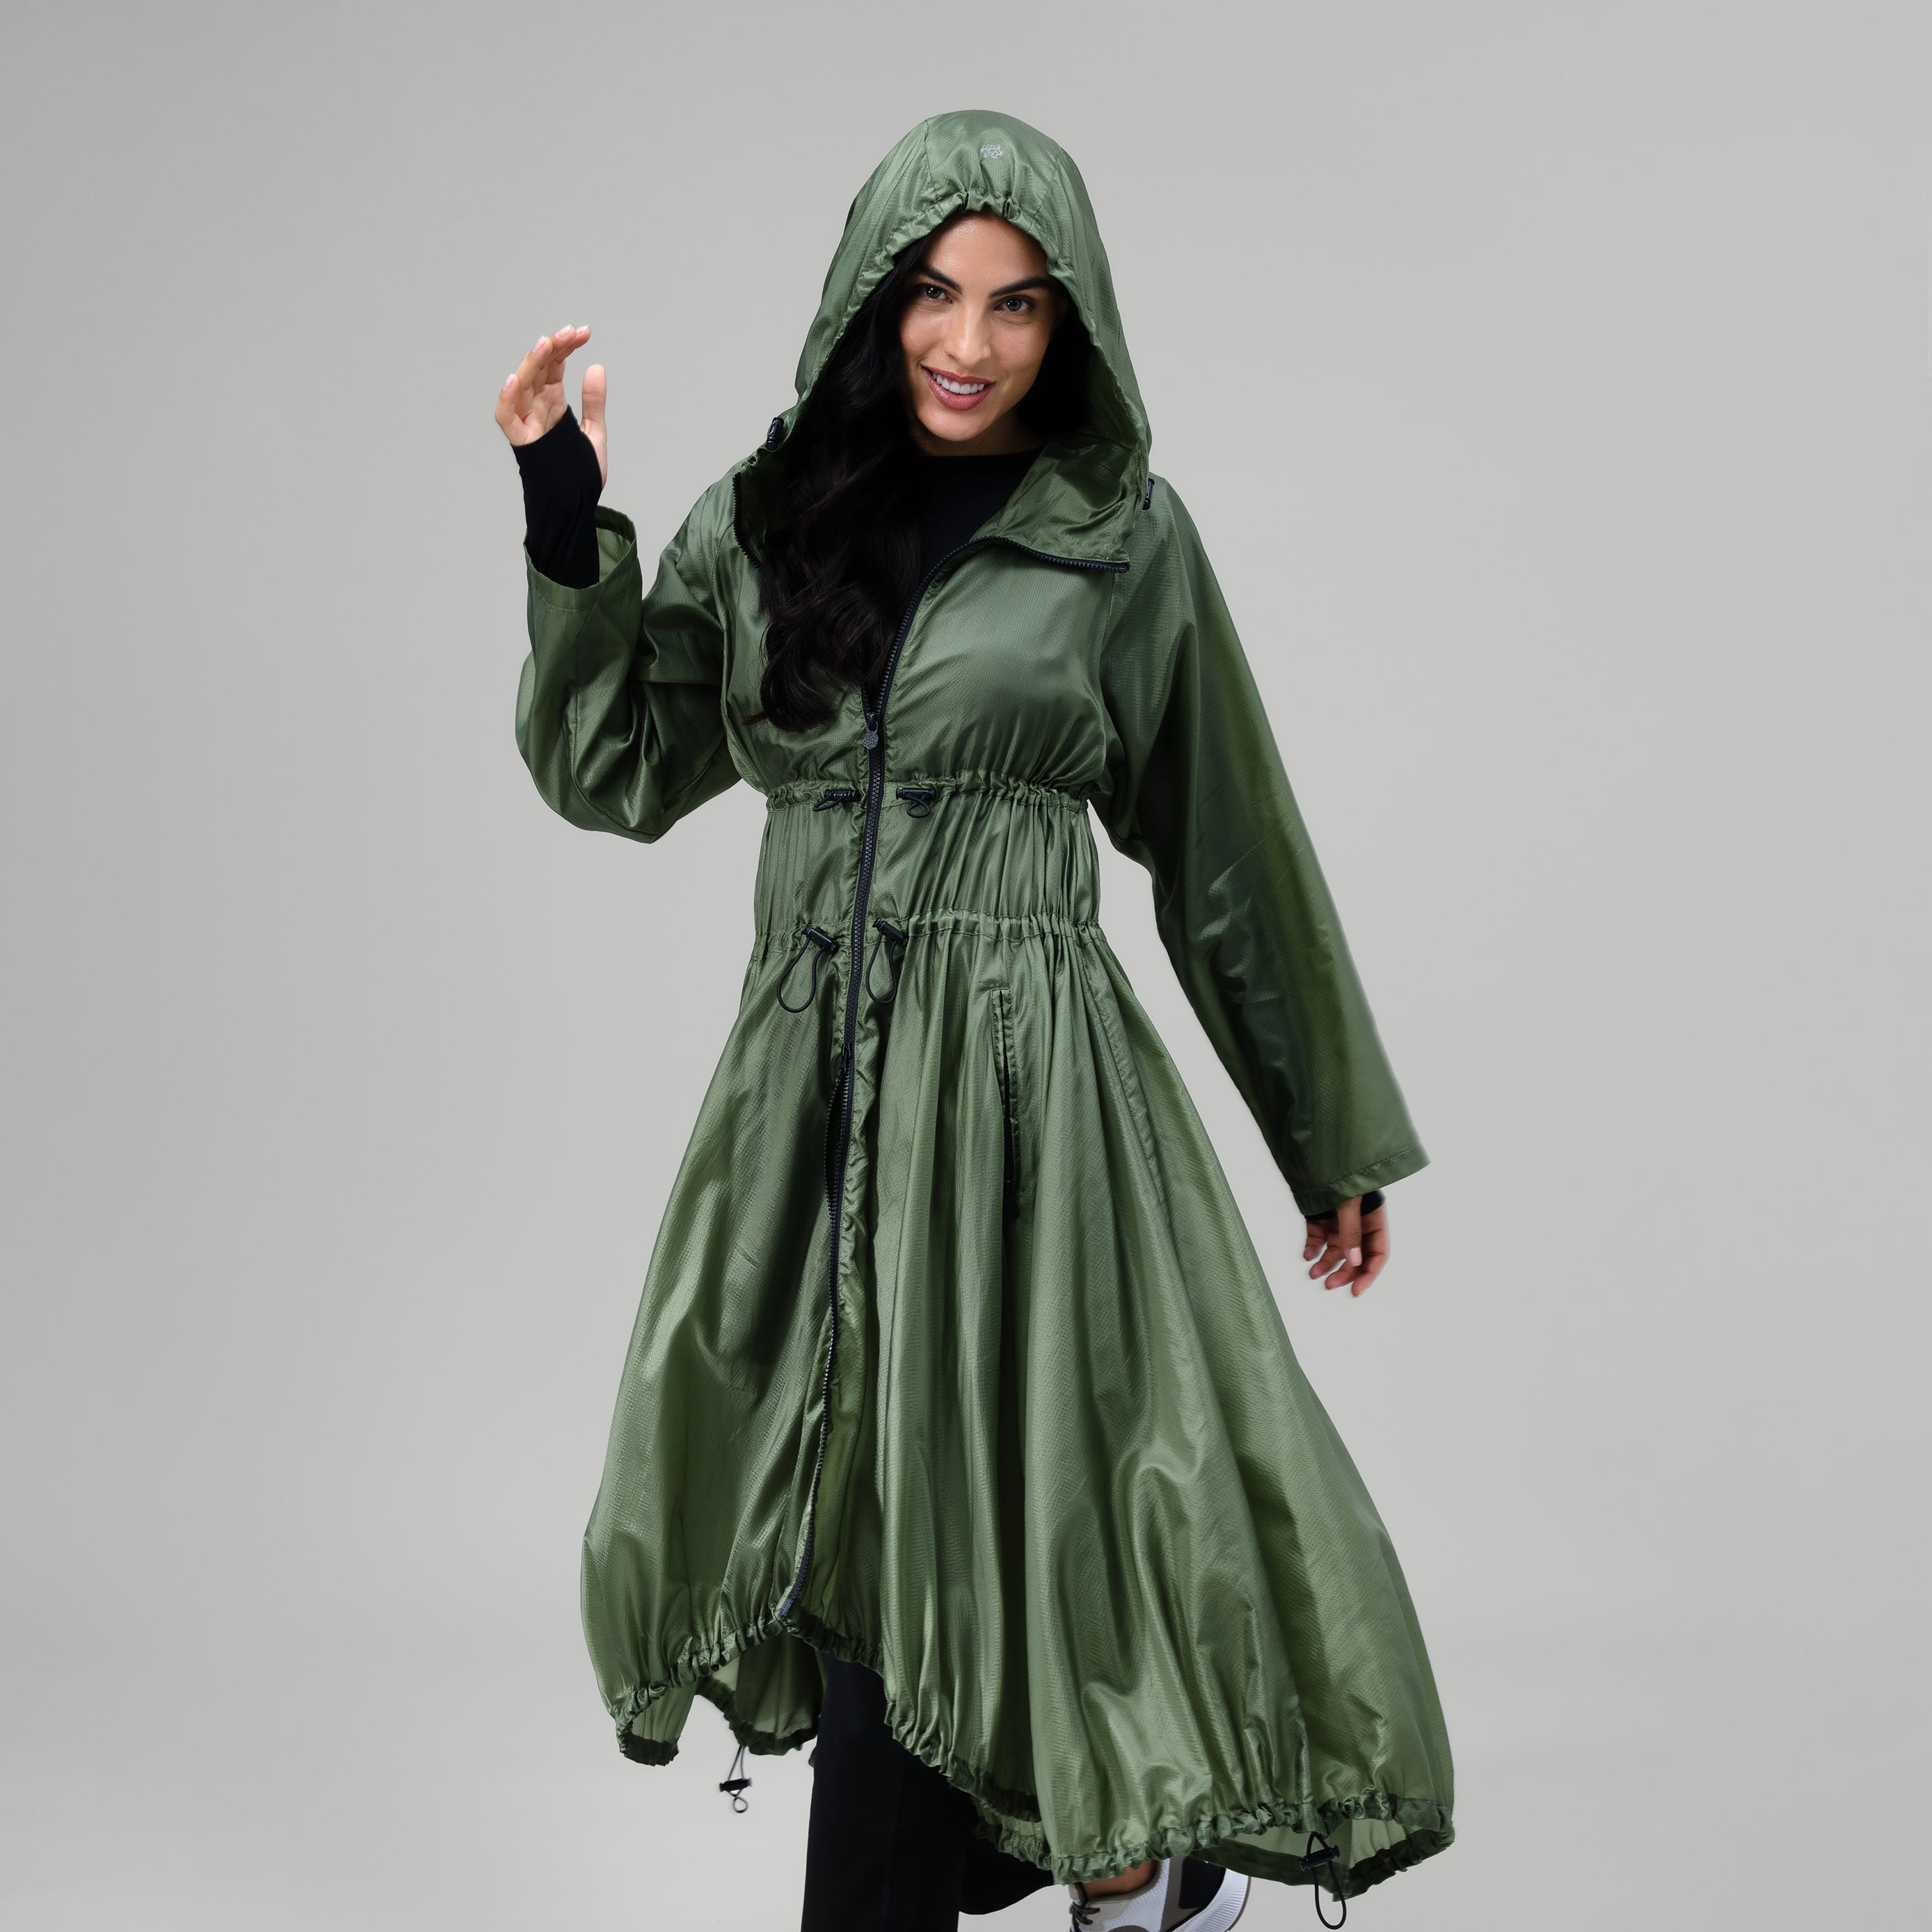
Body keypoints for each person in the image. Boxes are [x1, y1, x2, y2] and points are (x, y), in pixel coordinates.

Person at [494, 111, 1453, 1931]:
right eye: (933, 294)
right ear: (874, 300)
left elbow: (1229, 848)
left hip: (1028, 1112)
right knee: (873, 1531)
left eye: (1017, 305)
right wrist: (563, 511)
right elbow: (614, 760)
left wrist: (1326, 1135)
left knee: (1015, 1531)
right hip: (807, 1109)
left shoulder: (1122, 541)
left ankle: (1125, 1864)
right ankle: (1135, 1872)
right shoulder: (765, 523)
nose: (968, 342)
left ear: (1069, 322)